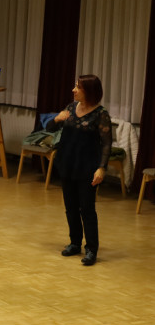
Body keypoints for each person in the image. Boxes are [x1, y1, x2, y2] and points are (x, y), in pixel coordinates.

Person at [46, 75, 112, 266]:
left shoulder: (100, 114)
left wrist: (102, 168)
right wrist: (57, 119)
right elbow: (50, 128)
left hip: (88, 167)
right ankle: (75, 242)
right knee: (71, 207)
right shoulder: (70, 108)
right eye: (75, 86)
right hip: (67, 163)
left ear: (89, 91)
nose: (73, 90)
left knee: (87, 209)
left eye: (78, 87)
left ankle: (91, 249)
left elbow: (106, 144)